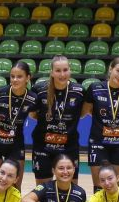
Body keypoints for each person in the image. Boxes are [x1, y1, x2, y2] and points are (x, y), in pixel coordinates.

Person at [29, 55, 86, 184]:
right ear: (52, 72)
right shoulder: (39, 90)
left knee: (70, 189)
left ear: (70, 71)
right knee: (43, 189)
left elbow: (82, 114)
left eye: (65, 70)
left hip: (69, 146)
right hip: (43, 146)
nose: (62, 74)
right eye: (58, 70)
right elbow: (33, 115)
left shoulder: (79, 91)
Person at [83, 57, 119, 191]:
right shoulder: (95, 88)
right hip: (98, 142)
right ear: (110, 69)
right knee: (99, 187)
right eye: (118, 71)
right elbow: (86, 111)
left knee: (116, 187)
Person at [0, 61, 34, 181]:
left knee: (14, 187)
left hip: (15, 145)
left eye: (19, 76)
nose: (15, 80)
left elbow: (35, 115)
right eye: (12, 76)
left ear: (28, 78)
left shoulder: (32, 98)